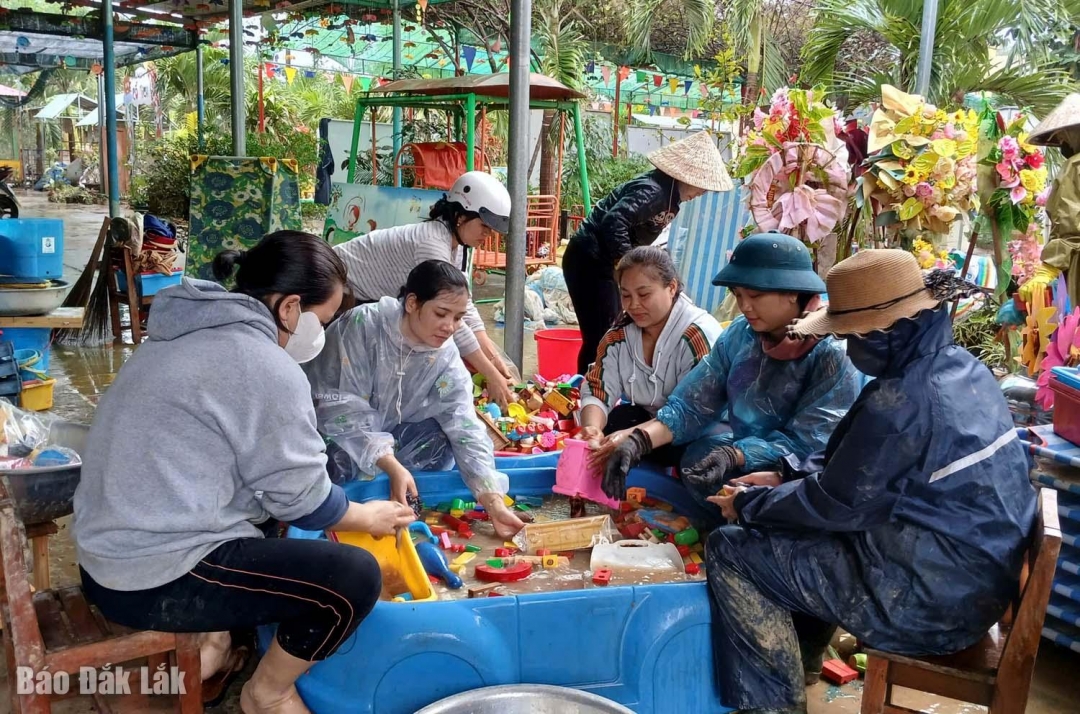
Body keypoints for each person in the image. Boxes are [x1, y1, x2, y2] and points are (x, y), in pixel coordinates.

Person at [72, 231, 417, 714]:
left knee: (269, 517)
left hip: (105, 556)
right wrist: (367, 517)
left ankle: (211, 645)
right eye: (324, 319)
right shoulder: (263, 365)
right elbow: (307, 502)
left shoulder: (184, 333)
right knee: (352, 579)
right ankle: (268, 692)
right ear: (290, 308)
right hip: (149, 579)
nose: (323, 332)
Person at [703, 250, 1037, 714]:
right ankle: (802, 665)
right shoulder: (961, 369)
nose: (848, 346)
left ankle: (772, 706)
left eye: (853, 335)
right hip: (972, 583)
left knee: (732, 549)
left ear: (886, 332)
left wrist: (749, 505)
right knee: (795, 525)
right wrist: (785, 471)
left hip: (928, 605)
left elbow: (836, 504)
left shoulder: (903, 400)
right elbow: (864, 462)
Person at [601, 233, 860, 516]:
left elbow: (810, 445)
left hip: (806, 475)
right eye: (738, 295)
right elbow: (692, 404)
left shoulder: (832, 352)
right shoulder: (741, 334)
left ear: (793, 293)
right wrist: (637, 440)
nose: (745, 306)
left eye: (755, 296)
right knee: (696, 460)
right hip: (746, 452)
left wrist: (736, 454)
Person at [304, 259, 526, 539]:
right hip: (331, 432)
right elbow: (340, 408)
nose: (450, 327)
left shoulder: (444, 355)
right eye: (441, 313)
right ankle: (347, 503)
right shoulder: (364, 325)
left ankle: (391, 487)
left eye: (457, 318)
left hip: (387, 436)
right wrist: (392, 464)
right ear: (412, 303)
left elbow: (464, 426)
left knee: (442, 439)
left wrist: (493, 501)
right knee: (330, 460)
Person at [333, 170, 517, 408]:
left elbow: (465, 309)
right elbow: (454, 321)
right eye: (484, 226)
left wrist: (495, 362)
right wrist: (492, 375)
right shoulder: (432, 243)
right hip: (338, 290)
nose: (487, 234)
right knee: (344, 385)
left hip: (360, 298)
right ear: (461, 216)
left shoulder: (455, 244)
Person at [563, 131, 733, 374]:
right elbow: (614, 221)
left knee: (610, 329)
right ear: (688, 176)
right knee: (600, 335)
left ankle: (598, 388)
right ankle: (588, 391)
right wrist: (627, 266)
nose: (703, 193)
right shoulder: (654, 191)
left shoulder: (669, 197)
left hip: (603, 262)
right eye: (703, 185)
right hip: (589, 260)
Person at [578, 246, 722, 467]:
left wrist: (635, 439)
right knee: (617, 422)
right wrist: (592, 429)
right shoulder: (618, 337)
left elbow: (693, 411)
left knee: (700, 458)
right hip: (652, 427)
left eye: (644, 294)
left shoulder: (697, 335)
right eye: (626, 295)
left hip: (702, 428)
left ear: (671, 287)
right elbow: (599, 387)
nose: (633, 305)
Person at [1019, 93, 1080, 307]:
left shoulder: (1075, 166)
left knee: (1072, 333)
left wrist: (1049, 268)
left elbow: (1070, 229)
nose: (1061, 140)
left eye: (1063, 134)